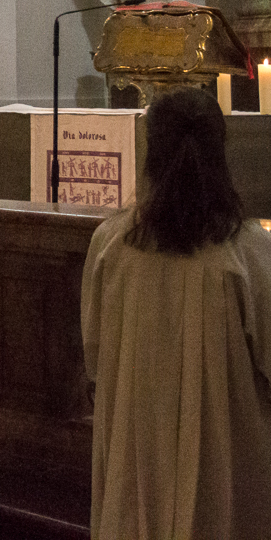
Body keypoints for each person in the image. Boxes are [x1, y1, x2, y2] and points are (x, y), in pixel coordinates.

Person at [81, 87, 271, 540]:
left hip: (135, 467)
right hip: (223, 477)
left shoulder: (111, 246)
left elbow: (93, 360)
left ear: (151, 155)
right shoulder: (247, 253)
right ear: (221, 155)